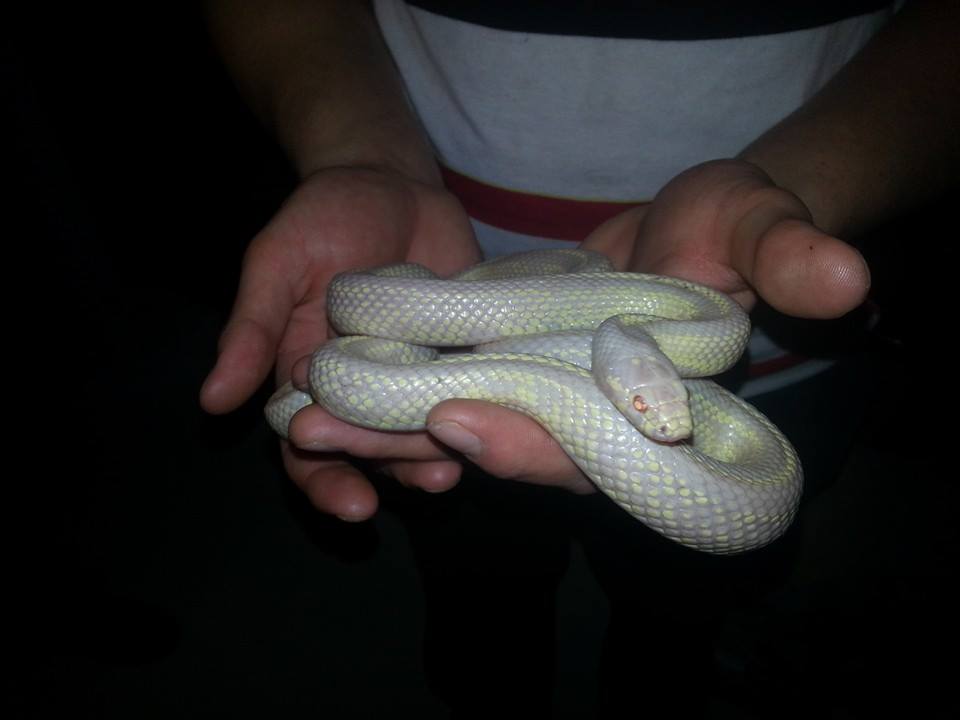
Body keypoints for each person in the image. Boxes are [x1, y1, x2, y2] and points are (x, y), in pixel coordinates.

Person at [200, 1, 957, 715]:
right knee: (482, 584)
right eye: (641, 409)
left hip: (785, 380)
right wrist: (364, 158)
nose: (664, 426)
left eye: (654, 409)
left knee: (673, 613)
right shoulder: (624, 329)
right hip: (462, 278)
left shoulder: (675, 333)